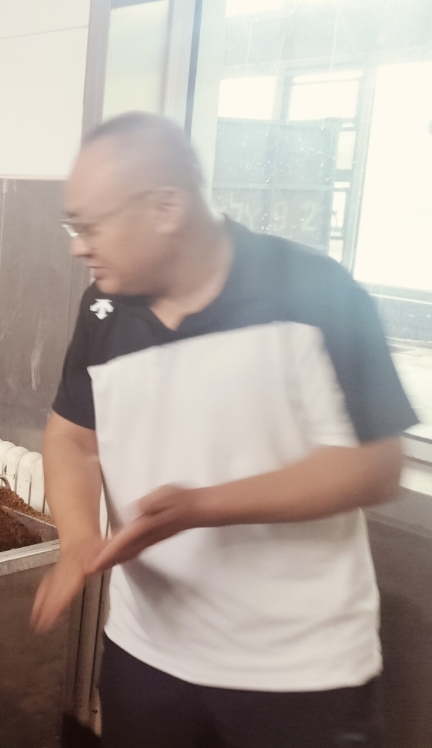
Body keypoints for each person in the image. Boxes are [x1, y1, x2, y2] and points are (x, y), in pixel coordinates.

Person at [30, 113, 416, 747]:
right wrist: (77, 539)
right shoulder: (103, 309)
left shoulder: (315, 290)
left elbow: (375, 465)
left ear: (166, 208)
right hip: (146, 656)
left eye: (91, 226)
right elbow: (72, 436)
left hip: (299, 673)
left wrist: (201, 506)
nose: (79, 246)